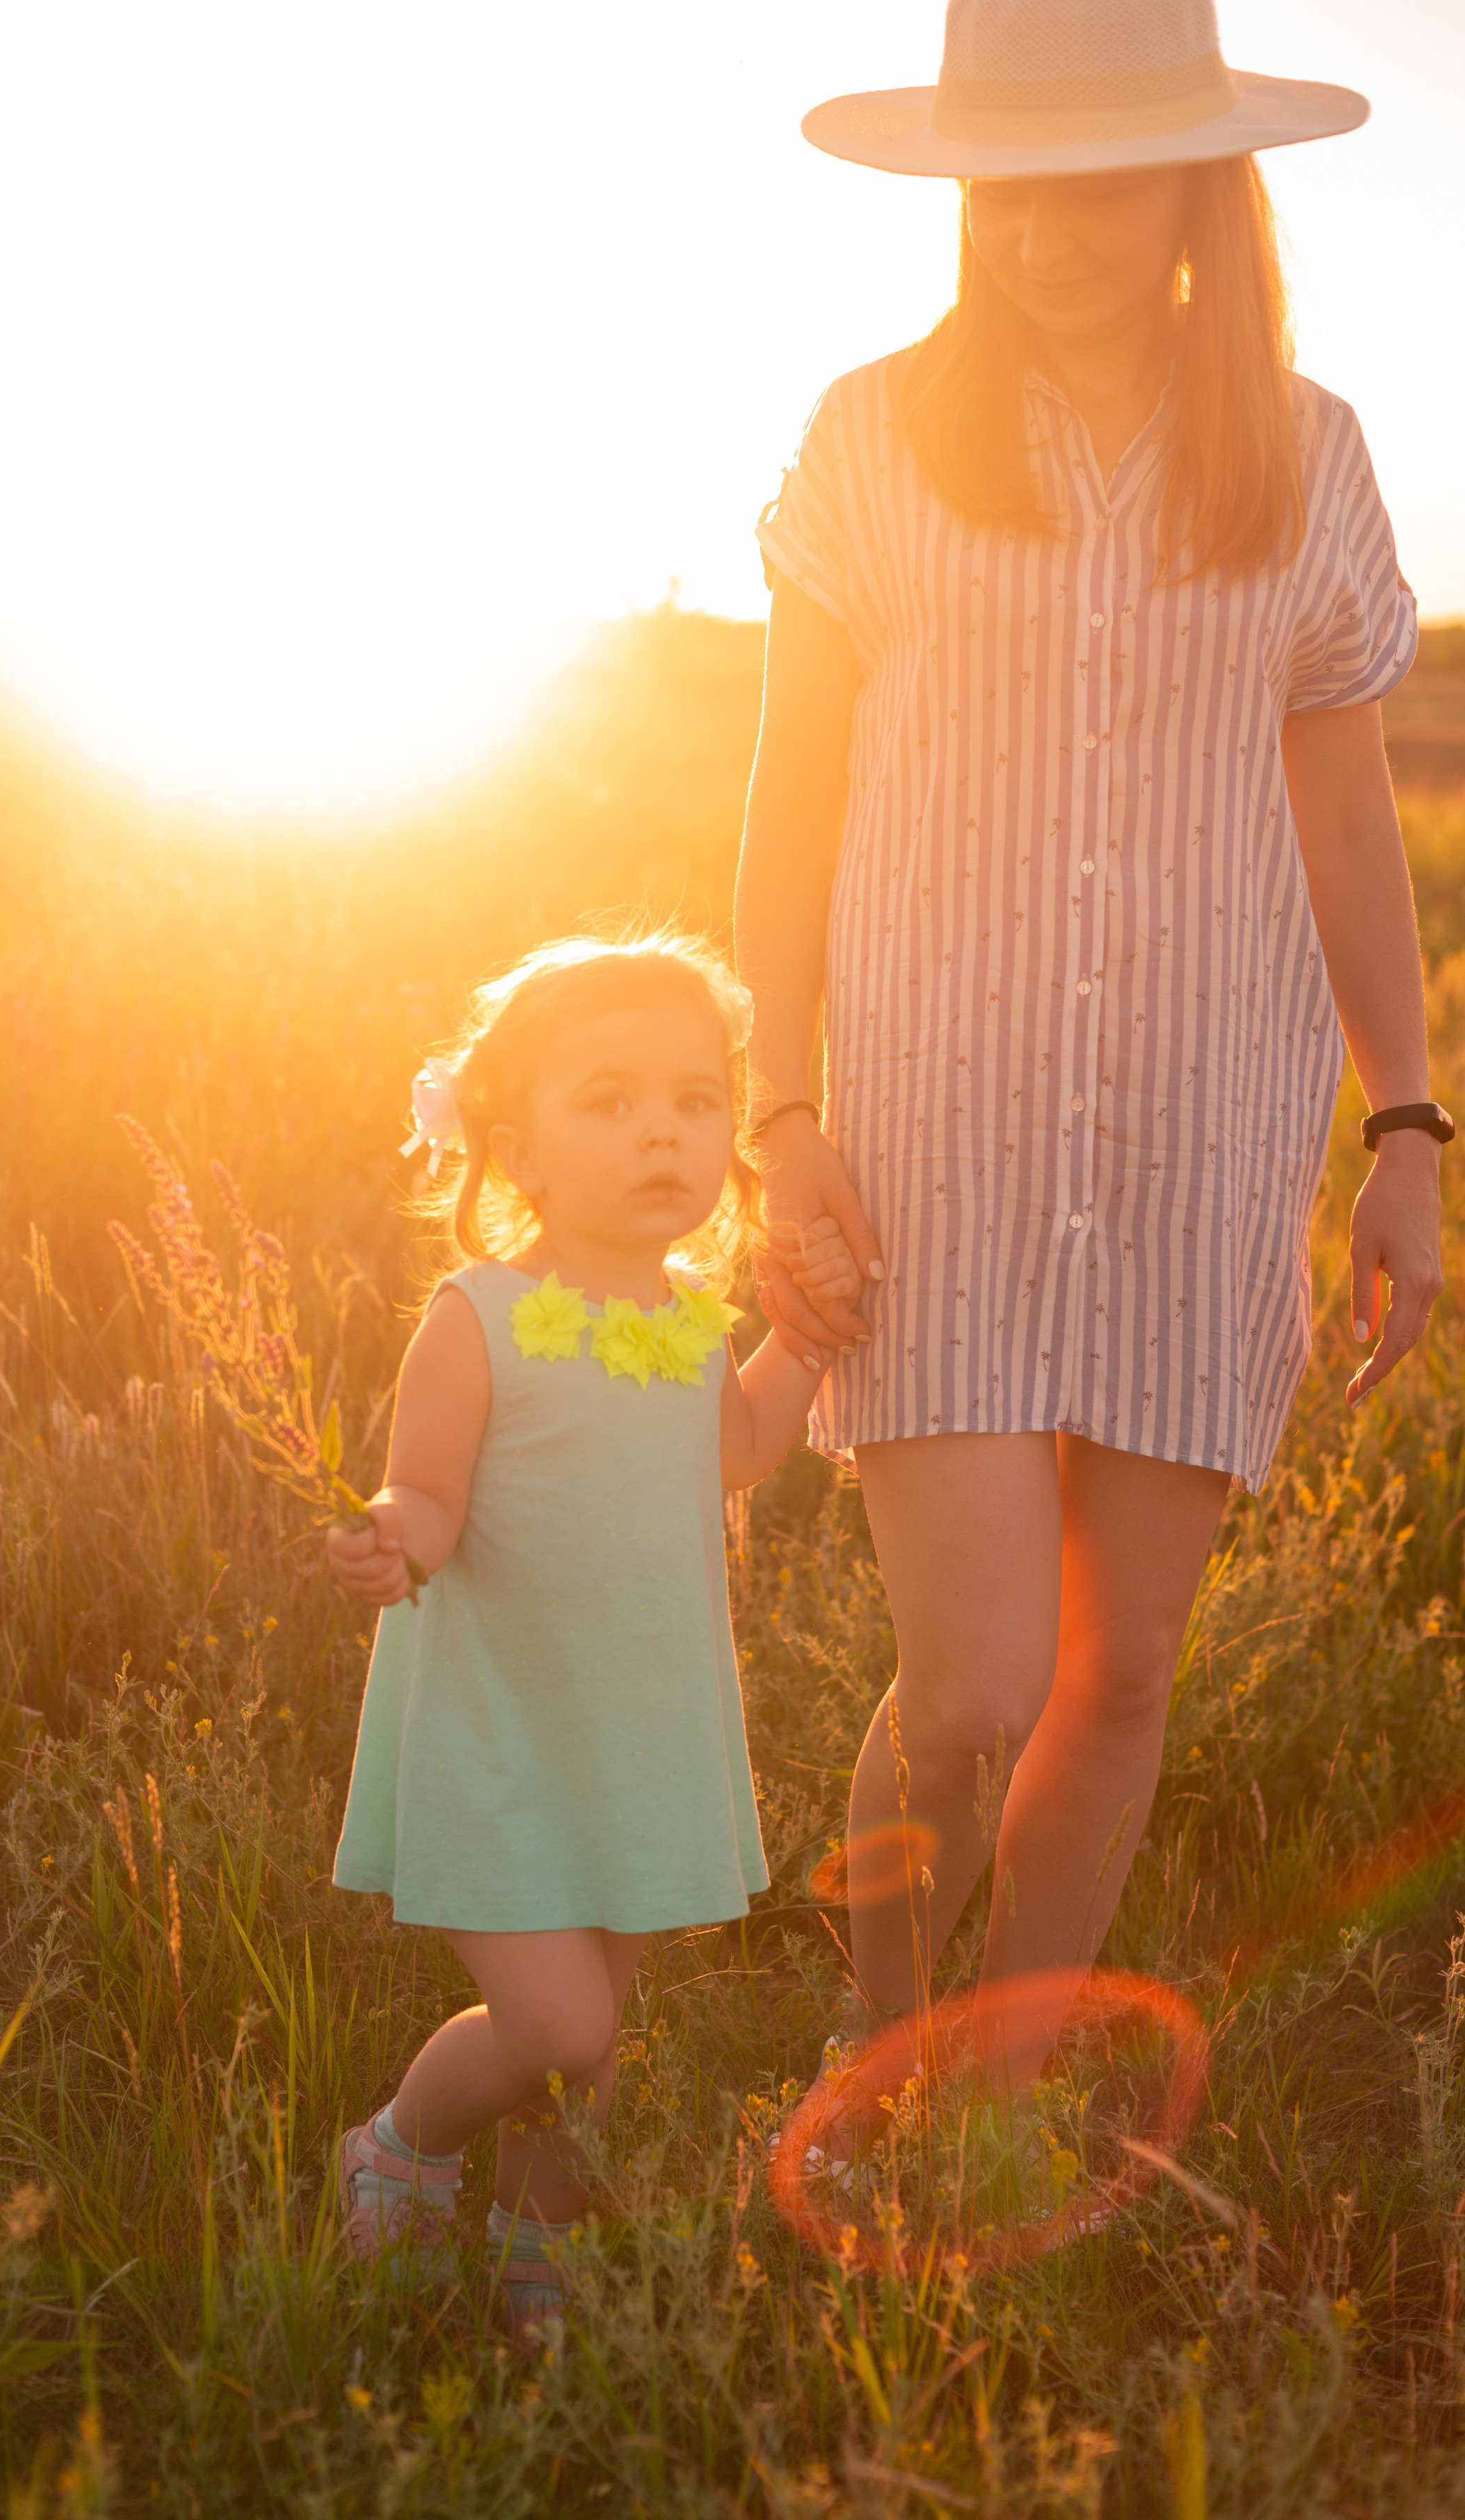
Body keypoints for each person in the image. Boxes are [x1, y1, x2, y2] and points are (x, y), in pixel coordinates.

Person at [736, 0, 1448, 2089]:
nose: (1042, 228)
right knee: (963, 1680)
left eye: (1097, 177)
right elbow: (789, 808)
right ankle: (872, 2066)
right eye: (1005, 182)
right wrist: (785, 1107)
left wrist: (1404, 1122)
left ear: (1201, 189)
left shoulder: (1307, 457)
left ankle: (1006, 2090)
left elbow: (1345, 818)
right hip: (934, 1133)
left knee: (1117, 1668)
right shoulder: (877, 435)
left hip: (1204, 1128)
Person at [325, 931, 860, 2332]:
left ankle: (532, 2252)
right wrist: (394, 1537)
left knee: (595, 2046)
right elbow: (429, 1491)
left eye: (693, 1103)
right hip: (504, 1730)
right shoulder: (480, 1317)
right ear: (521, 1142)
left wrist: (798, 1339)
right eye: (610, 1102)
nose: (661, 1135)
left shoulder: (690, 1325)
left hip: (641, 1729)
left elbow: (740, 1448)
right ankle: (400, 2147)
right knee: (559, 2024)